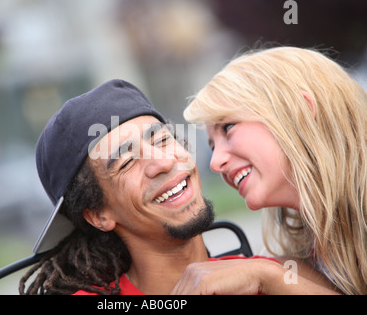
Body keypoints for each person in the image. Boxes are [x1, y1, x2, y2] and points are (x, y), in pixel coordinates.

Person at [19, 79, 278, 295]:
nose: (163, 162)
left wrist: (268, 276)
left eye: (163, 139)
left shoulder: (267, 278)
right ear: (99, 215)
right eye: (127, 162)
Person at [181, 46, 366, 295]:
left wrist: (269, 276)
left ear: (300, 111)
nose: (215, 163)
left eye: (227, 127)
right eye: (212, 146)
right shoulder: (307, 258)